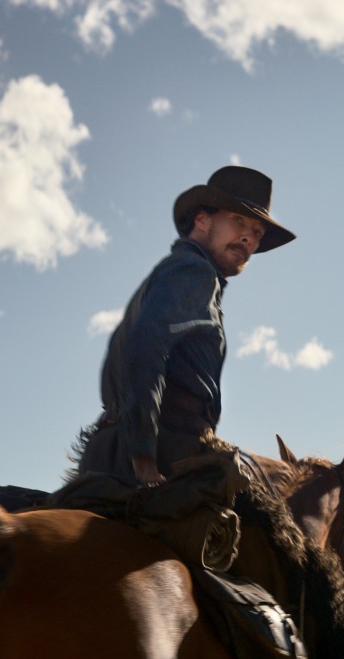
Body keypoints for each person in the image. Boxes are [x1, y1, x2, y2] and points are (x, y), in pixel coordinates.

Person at [77, 165, 296, 486]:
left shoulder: (180, 272)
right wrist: (144, 458)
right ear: (202, 220)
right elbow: (146, 350)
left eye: (257, 232)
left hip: (119, 446)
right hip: (161, 453)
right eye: (238, 220)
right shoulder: (195, 272)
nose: (248, 238)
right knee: (270, 510)